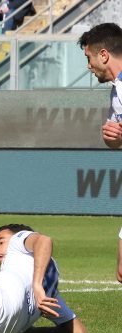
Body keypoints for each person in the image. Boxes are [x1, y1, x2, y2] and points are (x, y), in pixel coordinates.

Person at [78, 23, 122, 283]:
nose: (88, 66)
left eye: (89, 58)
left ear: (103, 55)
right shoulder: (117, 90)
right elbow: (115, 139)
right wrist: (112, 139)